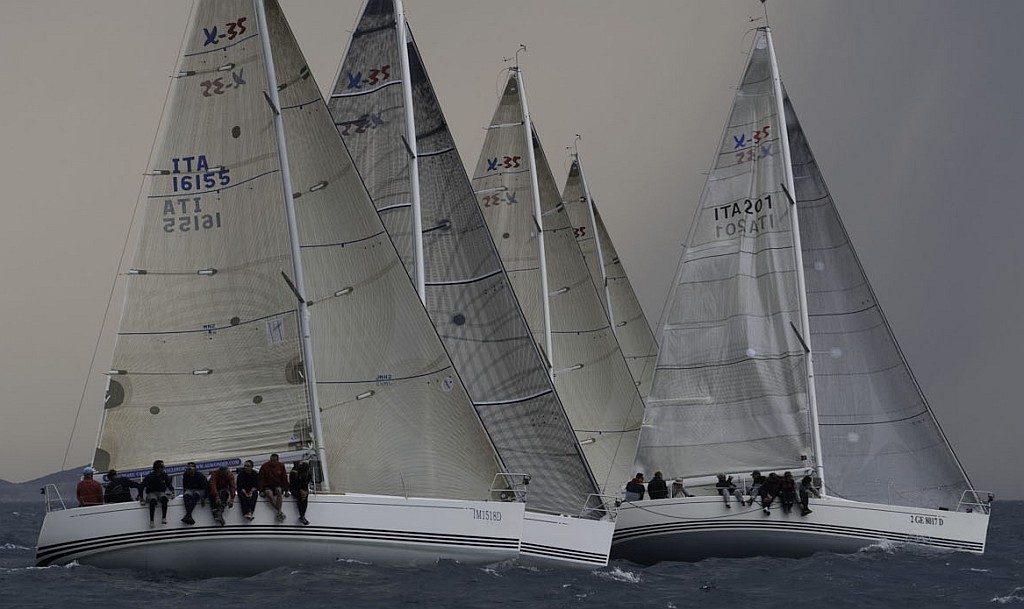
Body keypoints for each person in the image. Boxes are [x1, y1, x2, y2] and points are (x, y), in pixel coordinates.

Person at [139, 460, 174, 526]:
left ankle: (164, 518)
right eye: (162, 467)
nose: (163, 468)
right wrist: (141, 498)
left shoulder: (164, 475)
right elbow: (141, 486)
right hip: (151, 492)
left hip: (161, 492)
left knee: (164, 499)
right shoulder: (149, 476)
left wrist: (172, 491)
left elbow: (168, 484)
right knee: (153, 500)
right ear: (158, 468)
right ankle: (152, 520)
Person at [259, 453, 289, 522]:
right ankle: (279, 511)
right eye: (271, 460)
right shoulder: (264, 466)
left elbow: (284, 478)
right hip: (267, 486)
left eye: (274, 461)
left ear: (277, 460)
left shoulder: (281, 466)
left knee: (279, 491)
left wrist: (286, 489)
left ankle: (279, 511)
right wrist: (261, 490)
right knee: (269, 494)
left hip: (277, 485)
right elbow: (261, 479)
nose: (272, 462)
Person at [289, 461, 313, 525]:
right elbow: (293, 484)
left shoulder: (308, 475)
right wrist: (300, 490)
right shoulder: (294, 474)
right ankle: (302, 515)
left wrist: (306, 491)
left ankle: (303, 515)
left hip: (303, 489)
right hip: (294, 488)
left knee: (305, 497)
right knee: (300, 496)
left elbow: (306, 484)